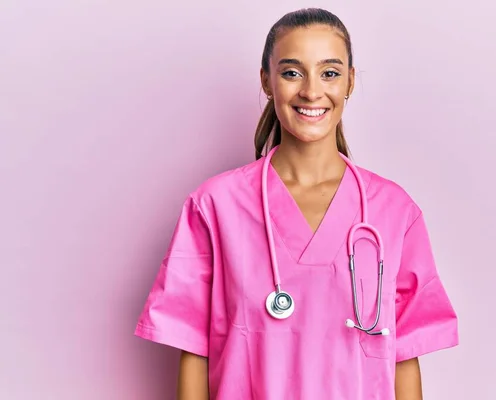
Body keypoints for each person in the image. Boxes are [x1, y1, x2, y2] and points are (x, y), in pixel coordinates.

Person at [134, 7, 458, 400]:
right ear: (267, 81)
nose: (311, 90)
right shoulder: (214, 206)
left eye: (330, 72)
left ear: (350, 82)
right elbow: (194, 351)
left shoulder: (393, 211)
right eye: (291, 72)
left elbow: (405, 355)